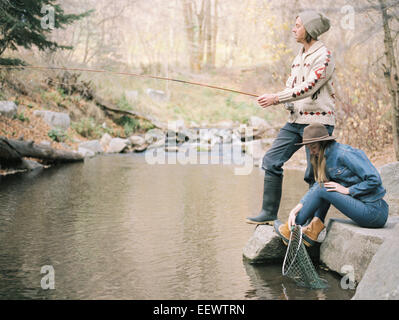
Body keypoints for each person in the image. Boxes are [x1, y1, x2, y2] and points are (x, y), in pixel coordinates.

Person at [246, 10, 336, 225]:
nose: (293, 29)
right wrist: (281, 100)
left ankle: (315, 223)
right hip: (295, 122)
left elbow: (309, 87)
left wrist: (276, 98)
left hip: (317, 123)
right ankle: (268, 214)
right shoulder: (299, 56)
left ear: (310, 29)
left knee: (314, 174)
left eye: (298, 25)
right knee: (271, 161)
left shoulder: (324, 56)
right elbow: (292, 86)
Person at [274, 123, 389, 247]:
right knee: (323, 187)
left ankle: (290, 229)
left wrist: (348, 190)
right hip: (364, 207)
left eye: (313, 147)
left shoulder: (344, 153)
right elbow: (319, 186)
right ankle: (313, 229)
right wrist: (297, 208)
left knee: (322, 188)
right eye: (308, 148)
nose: (311, 152)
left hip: (374, 212)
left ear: (323, 143)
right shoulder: (325, 157)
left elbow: (374, 179)